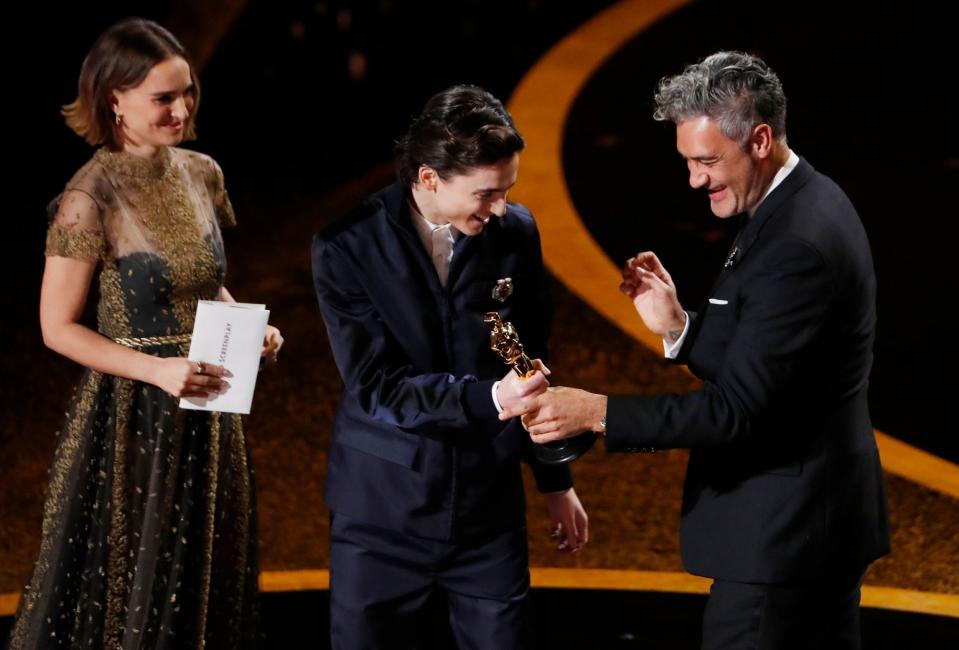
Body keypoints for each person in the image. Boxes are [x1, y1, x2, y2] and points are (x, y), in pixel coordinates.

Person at [501, 51, 890, 649]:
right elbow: (776, 371)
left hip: (781, 543)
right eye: (687, 161)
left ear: (760, 139)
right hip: (812, 530)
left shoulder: (794, 245)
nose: (695, 180)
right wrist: (681, 327)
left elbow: (736, 410)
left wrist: (596, 412)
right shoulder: (808, 201)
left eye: (708, 161)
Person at [8, 18, 282, 649]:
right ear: (114, 100)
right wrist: (159, 371)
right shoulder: (87, 198)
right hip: (136, 416)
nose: (181, 108)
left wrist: (250, 327)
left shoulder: (202, 172)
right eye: (163, 98)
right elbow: (56, 329)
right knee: (139, 581)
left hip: (208, 407)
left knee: (209, 574)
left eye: (186, 93)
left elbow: (201, 283)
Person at [312, 84, 588, 649]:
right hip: (383, 516)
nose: (500, 208)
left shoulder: (515, 232)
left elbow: (530, 361)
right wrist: (488, 400)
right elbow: (375, 386)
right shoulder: (346, 246)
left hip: (488, 511)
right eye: (486, 193)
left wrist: (555, 478)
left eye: (506, 191)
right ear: (429, 178)